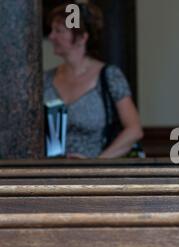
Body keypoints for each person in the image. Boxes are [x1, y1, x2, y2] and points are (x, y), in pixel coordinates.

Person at [44, 3, 143, 159]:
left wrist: (95, 164)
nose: (51, 37)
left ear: (82, 37)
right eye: (52, 30)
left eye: (59, 31)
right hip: (49, 175)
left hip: (95, 177)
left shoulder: (109, 76)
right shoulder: (45, 79)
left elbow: (134, 130)